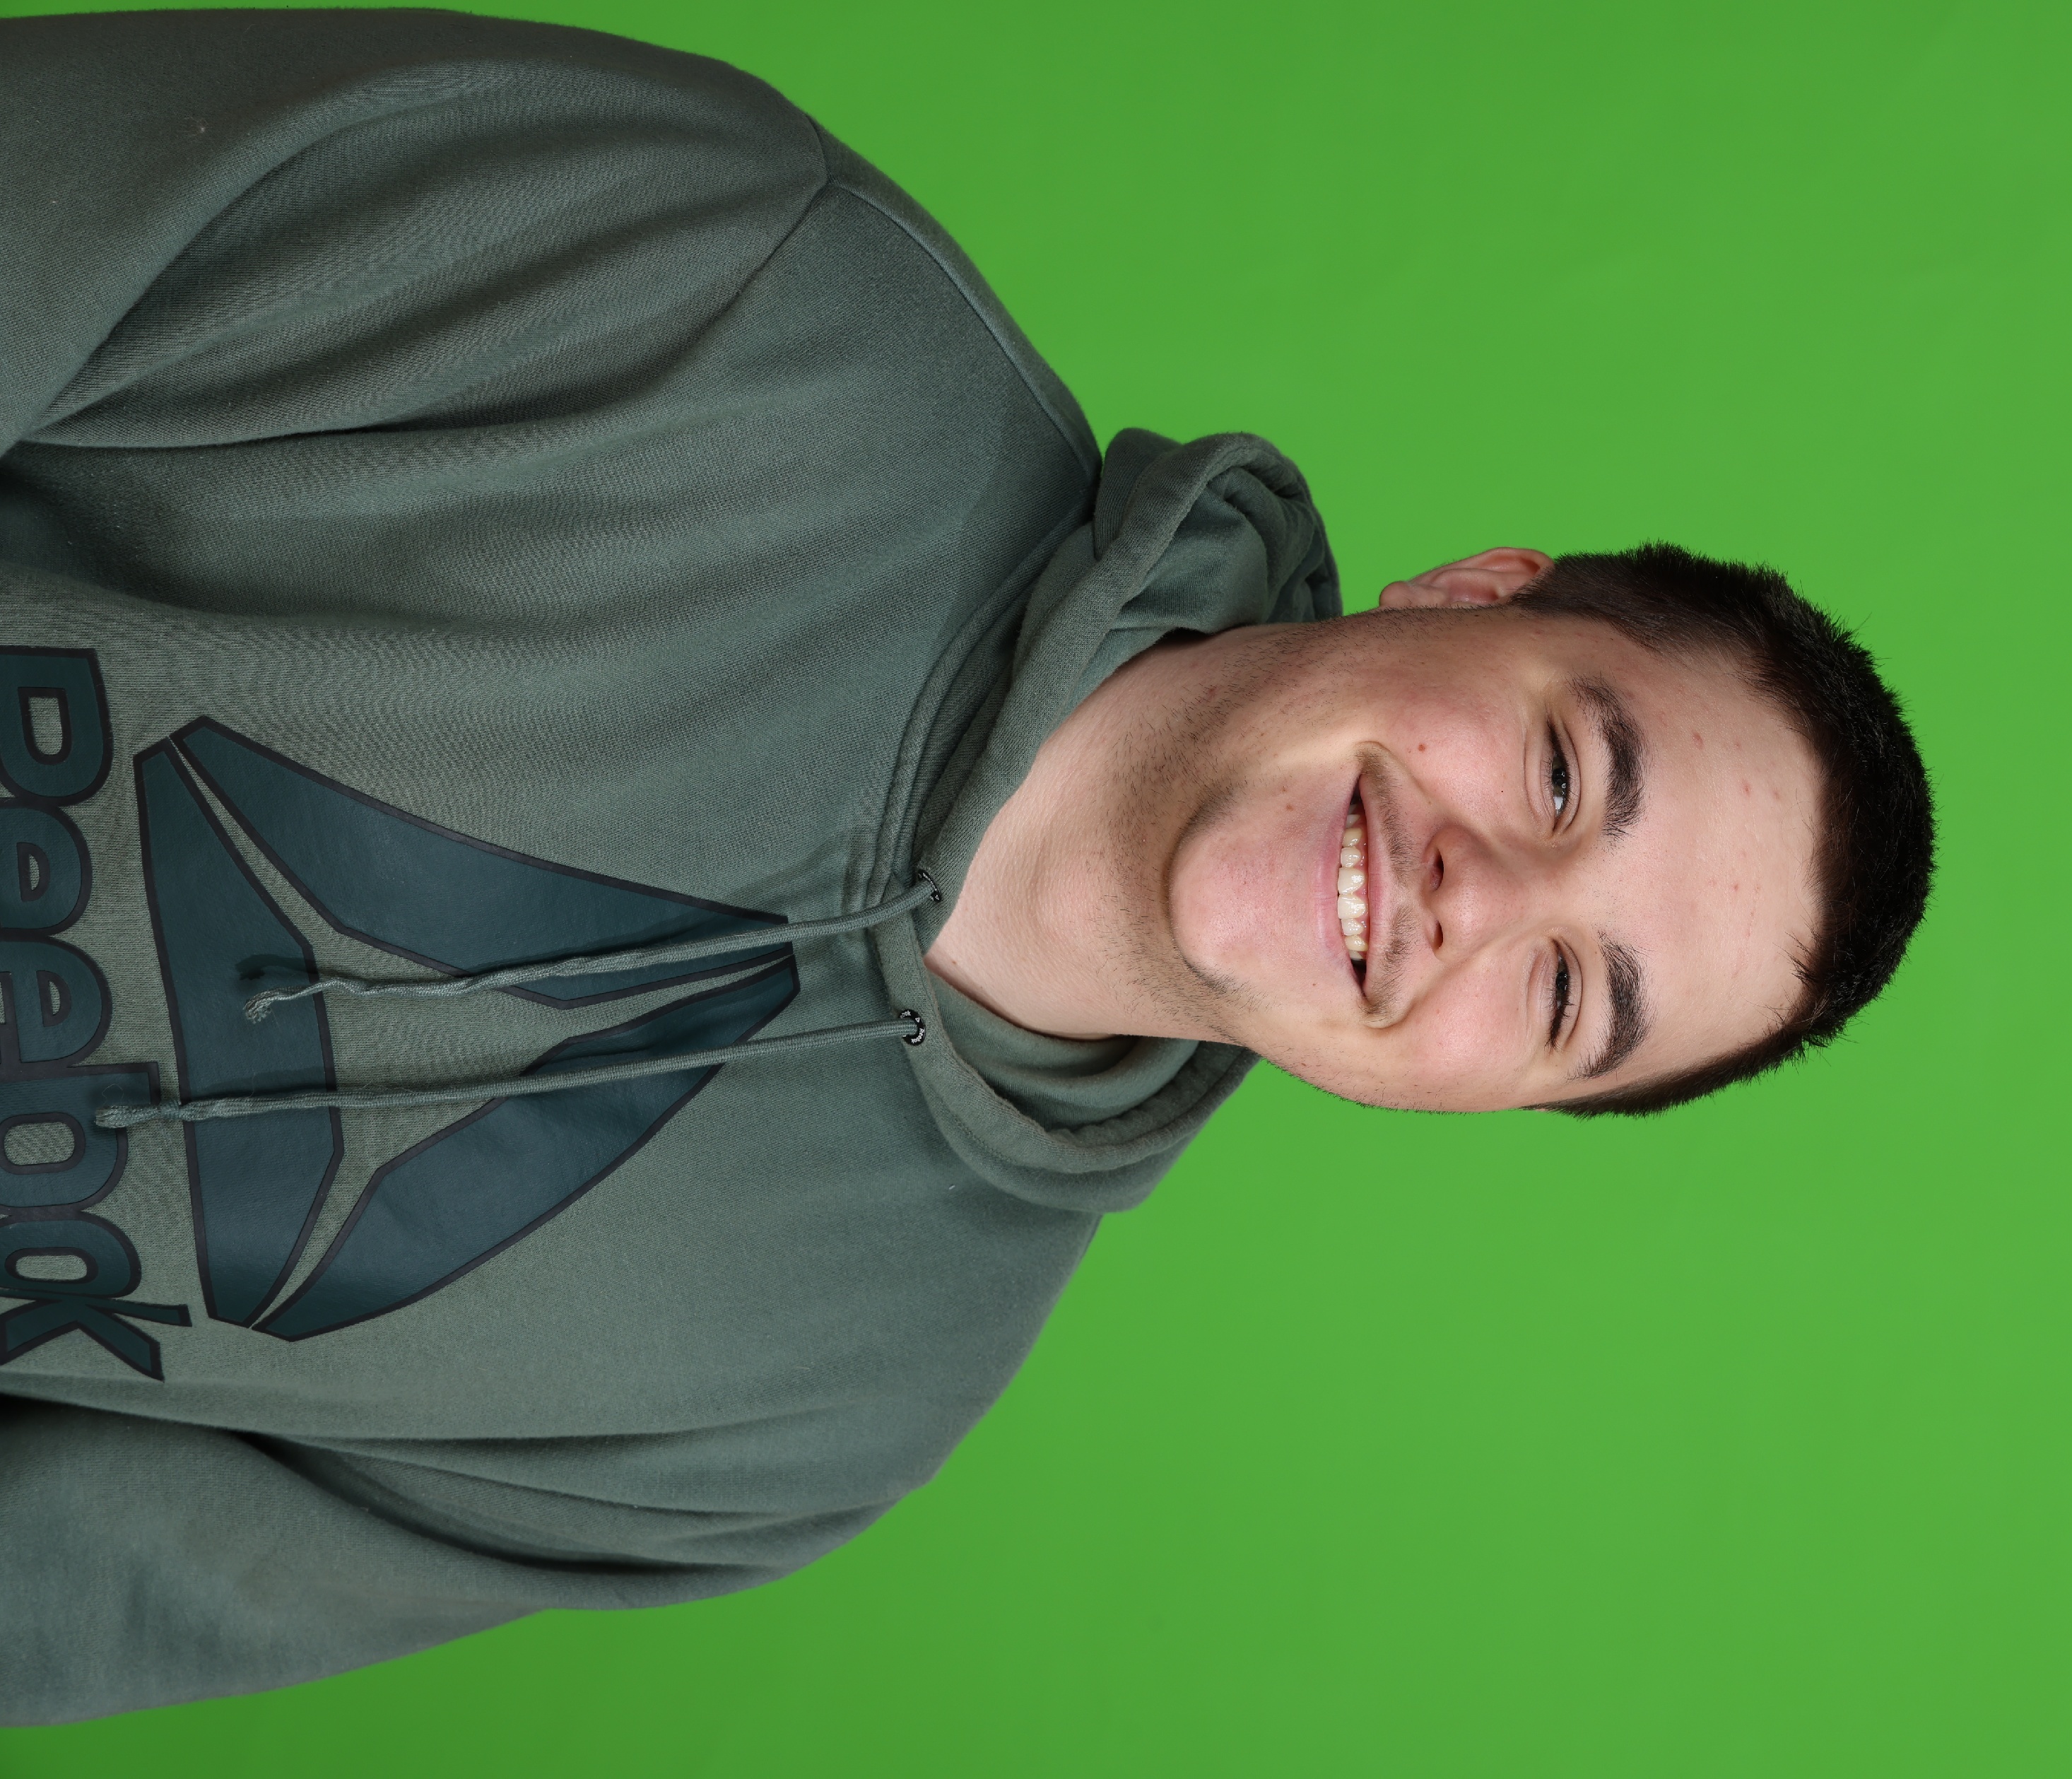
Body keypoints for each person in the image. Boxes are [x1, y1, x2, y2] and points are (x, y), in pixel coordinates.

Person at [0, 8, 1933, 1722]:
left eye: (1570, 996)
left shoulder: (820, 1421)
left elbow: (57, 1599)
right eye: (1566, 772)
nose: (1479, 894)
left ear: (1484, 1101)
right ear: (1471, 594)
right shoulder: (740, 293)